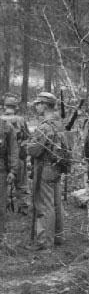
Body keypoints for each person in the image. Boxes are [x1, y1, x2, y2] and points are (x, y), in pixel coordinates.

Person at [27, 92, 71, 250]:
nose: (36, 106)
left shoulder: (45, 126)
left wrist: (28, 145)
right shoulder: (59, 123)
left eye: (38, 103)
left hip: (45, 168)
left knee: (44, 205)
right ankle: (58, 237)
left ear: (45, 105)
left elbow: (34, 150)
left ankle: (45, 241)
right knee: (56, 203)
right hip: (57, 167)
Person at [1, 94, 30, 214]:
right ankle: (23, 208)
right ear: (16, 107)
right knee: (21, 183)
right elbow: (27, 136)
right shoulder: (21, 120)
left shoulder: (1, 120)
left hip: (3, 157)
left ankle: (5, 205)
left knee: (3, 183)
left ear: (4, 106)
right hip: (18, 156)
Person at [0, 114, 18, 248]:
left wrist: (12, 170)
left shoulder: (6, 127)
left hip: (1, 170)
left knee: (1, 205)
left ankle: (1, 237)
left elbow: (13, 149)